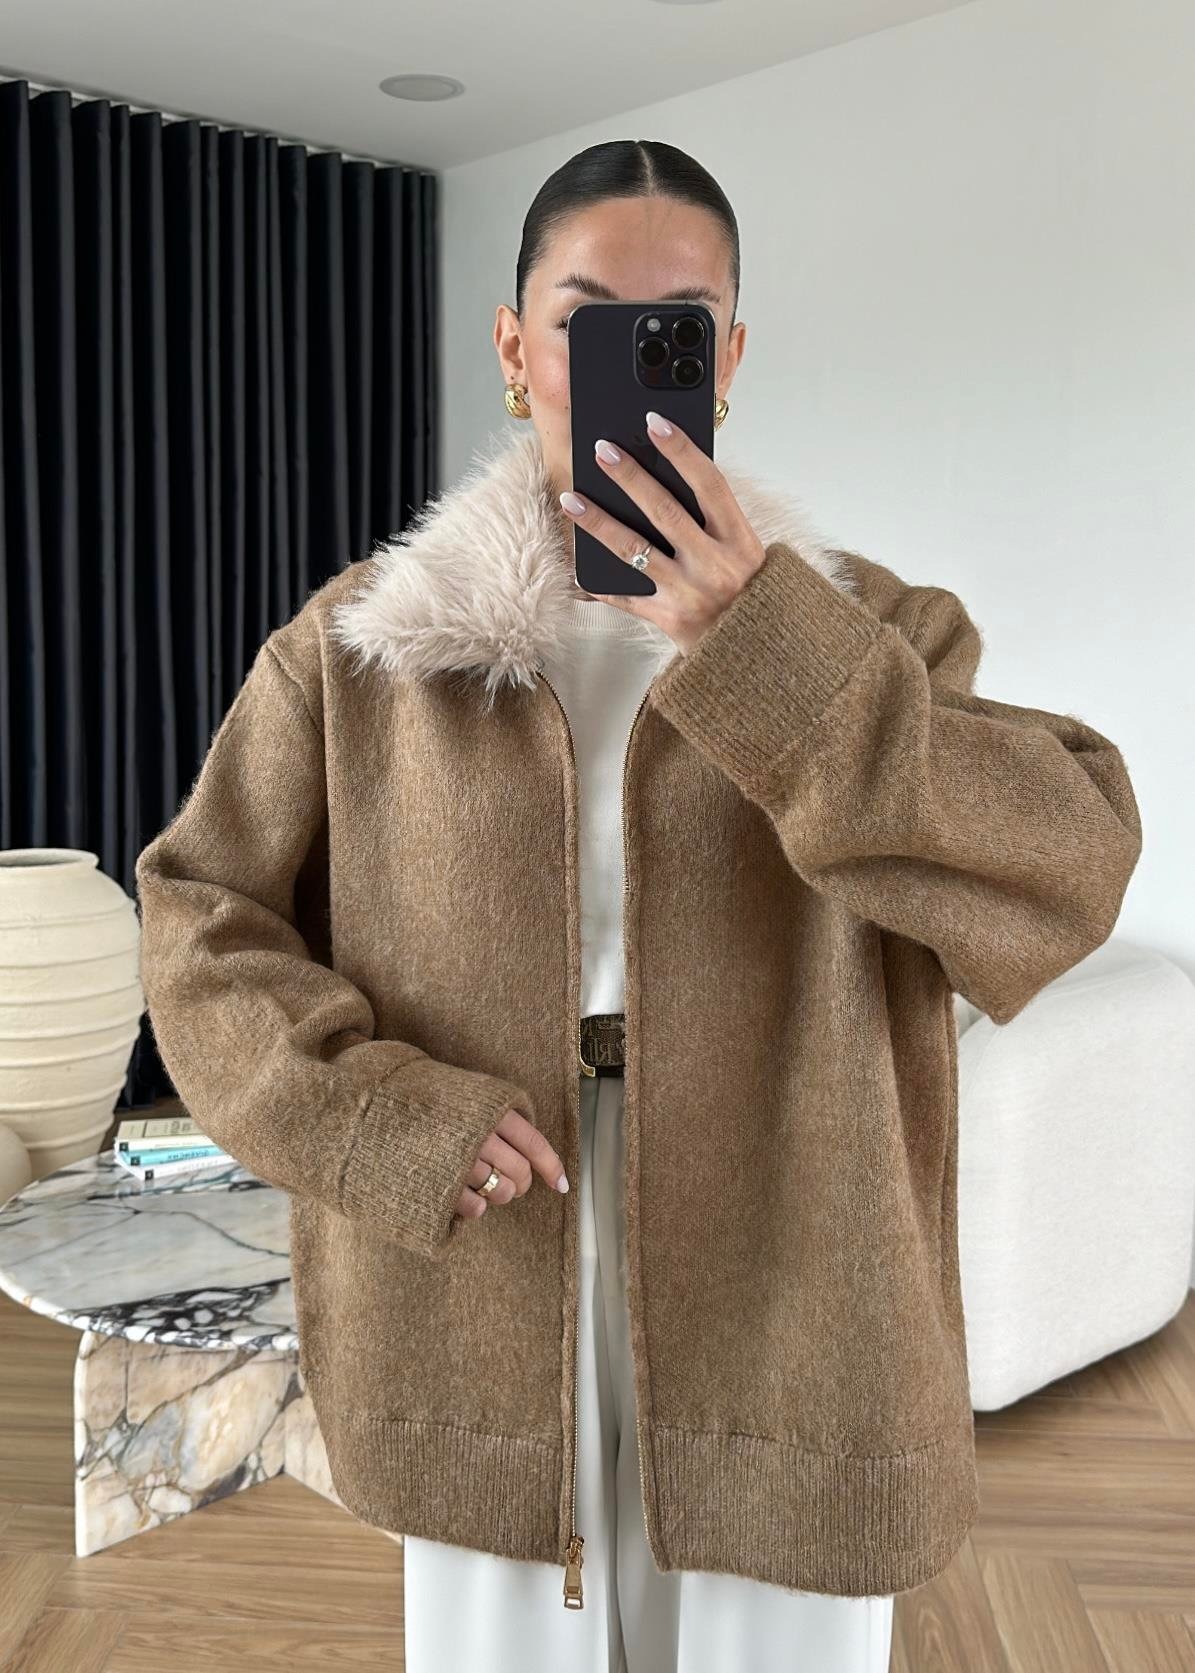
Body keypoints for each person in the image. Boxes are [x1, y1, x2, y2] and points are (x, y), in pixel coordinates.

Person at [134, 140, 1142, 1673]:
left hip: (793, 1251)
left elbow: (1071, 857)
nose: (631, 357)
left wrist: (765, 645)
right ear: (515, 346)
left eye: (677, 327)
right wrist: (378, 1118)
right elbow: (198, 916)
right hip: (486, 1243)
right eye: (586, 316)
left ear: (726, 360)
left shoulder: (872, 631)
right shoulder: (362, 652)